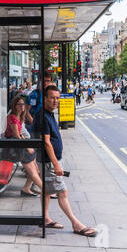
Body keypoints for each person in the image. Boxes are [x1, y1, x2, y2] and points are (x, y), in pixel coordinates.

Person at [34, 85, 97, 237]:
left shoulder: (48, 113)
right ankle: (76, 224)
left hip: (50, 161)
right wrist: (56, 164)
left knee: (47, 191)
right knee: (62, 192)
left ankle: (46, 218)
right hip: (49, 162)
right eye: (52, 98)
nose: (56, 101)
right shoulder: (43, 115)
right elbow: (46, 142)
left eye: (57, 98)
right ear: (46, 98)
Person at [4, 96, 43, 196]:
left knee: (36, 170)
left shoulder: (20, 117)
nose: (22, 107)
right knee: (34, 173)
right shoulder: (12, 117)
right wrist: (28, 147)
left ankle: (26, 189)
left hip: (20, 145)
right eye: (19, 105)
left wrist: (27, 144)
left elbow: (20, 135)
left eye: (23, 104)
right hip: (15, 147)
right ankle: (47, 192)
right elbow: (17, 136)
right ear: (15, 106)